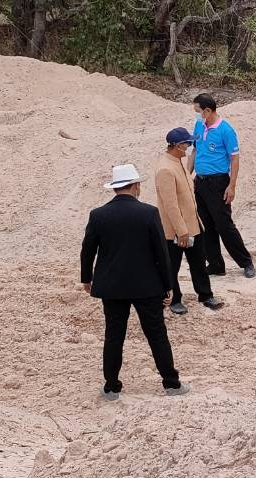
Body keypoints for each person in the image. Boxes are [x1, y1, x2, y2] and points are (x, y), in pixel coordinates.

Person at [80, 163, 187, 398]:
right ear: (136, 186)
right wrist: (168, 285)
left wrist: (87, 278)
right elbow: (161, 253)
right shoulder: (149, 213)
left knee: (114, 335)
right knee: (156, 334)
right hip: (146, 285)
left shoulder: (98, 215)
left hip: (111, 286)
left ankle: (111, 386)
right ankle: (171, 383)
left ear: (115, 188)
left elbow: (87, 250)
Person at [187, 93, 256, 279]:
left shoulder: (226, 130)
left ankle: (246, 262)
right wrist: (187, 175)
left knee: (224, 225)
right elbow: (195, 151)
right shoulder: (199, 125)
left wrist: (231, 186)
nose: (196, 114)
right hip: (200, 182)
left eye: (198, 111)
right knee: (206, 225)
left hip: (218, 183)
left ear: (207, 111)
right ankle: (216, 264)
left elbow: (234, 159)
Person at [157, 128, 225, 315]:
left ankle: (205, 295)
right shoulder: (165, 169)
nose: (189, 146)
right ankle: (174, 299)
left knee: (198, 263)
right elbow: (170, 205)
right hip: (176, 230)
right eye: (186, 143)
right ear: (177, 146)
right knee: (172, 266)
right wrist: (181, 231)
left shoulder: (177, 163)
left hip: (193, 224)